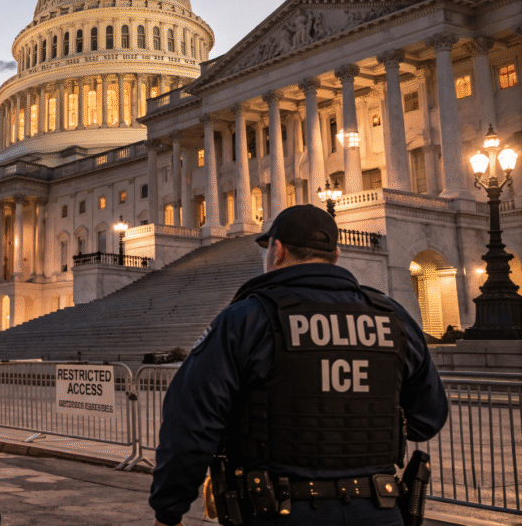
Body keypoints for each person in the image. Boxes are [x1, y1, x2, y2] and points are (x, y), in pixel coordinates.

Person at [149, 205, 449, 526]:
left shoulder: (247, 318)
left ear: (276, 251)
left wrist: (169, 510)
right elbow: (428, 419)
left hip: (275, 509)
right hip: (378, 508)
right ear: (335, 254)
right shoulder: (392, 316)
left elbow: (191, 420)